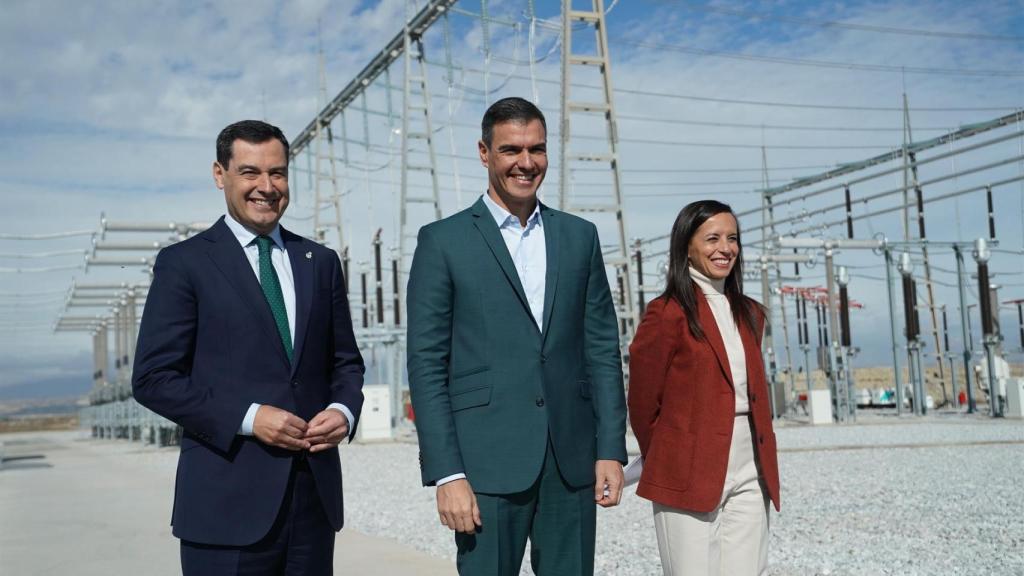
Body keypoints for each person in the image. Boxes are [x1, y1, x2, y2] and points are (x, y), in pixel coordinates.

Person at [132, 120, 364, 576]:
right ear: (220, 175)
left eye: (277, 173)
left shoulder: (319, 262)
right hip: (225, 508)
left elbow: (345, 362)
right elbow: (154, 379)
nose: (266, 187)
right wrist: (250, 417)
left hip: (311, 505)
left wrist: (344, 411)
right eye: (250, 173)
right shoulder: (185, 264)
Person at [406, 96, 627, 576]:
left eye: (537, 149)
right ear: (484, 153)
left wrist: (610, 447)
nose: (526, 163)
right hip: (485, 465)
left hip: (569, 462)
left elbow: (602, 350)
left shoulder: (579, 237)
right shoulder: (442, 241)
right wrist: (447, 472)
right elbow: (426, 364)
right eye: (511, 150)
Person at [628, 200, 781, 576]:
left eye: (732, 238)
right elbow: (643, 401)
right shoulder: (667, 313)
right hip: (686, 463)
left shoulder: (751, 313)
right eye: (712, 238)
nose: (724, 248)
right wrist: (668, 454)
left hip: (750, 462)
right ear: (687, 247)